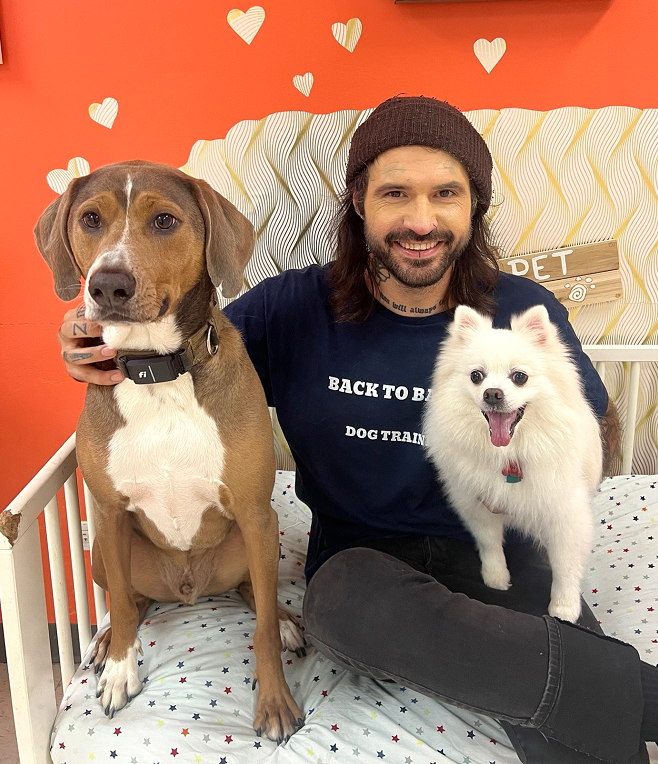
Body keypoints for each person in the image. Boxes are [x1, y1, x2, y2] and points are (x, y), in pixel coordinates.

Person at [58, 96, 656, 763]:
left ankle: (637, 697)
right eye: (395, 192)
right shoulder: (295, 307)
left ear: (474, 207)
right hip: (365, 567)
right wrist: (96, 333)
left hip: (503, 553)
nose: (421, 218)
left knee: (585, 730)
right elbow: (190, 349)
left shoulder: (522, 308)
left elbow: (596, 434)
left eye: (446, 193)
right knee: (336, 607)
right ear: (360, 204)